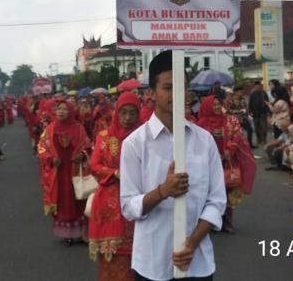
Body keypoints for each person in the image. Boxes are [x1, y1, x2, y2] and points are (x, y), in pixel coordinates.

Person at [120, 50, 226, 281]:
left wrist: (192, 244)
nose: (176, 94)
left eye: (182, 87)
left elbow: (216, 201)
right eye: (168, 88)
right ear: (151, 93)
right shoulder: (134, 144)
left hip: (197, 262)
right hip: (151, 264)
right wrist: (162, 191)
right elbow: (128, 206)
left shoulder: (204, 140)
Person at [88, 92, 141, 280]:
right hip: (110, 203)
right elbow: (94, 165)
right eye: (123, 112)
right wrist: (114, 173)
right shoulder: (104, 137)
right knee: (112, 259)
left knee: (139, 257)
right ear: (116, 113)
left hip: (139, 200)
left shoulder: (145, 138)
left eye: (132, 113)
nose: (127, 118)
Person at [197, 95, 256, 233]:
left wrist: (228, 150)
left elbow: (238, 136)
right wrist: (212, 134)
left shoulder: (231, 120)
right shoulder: (200, 124)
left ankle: (227, 222)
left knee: (228, 192)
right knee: (209, 193)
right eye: (214, 105)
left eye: (219, 104)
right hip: (208, 165)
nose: (217, 107)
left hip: (227, 162)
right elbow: (197, 142)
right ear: (207, 107)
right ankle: (210, 222)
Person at [38, 98, 92, 245]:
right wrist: (50, 158)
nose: (61, 111)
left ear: (71, 111)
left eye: (64, 109)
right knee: (62, 201)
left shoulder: (79, 128)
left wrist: (82, 154)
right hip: (59, 173)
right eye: (58, 109)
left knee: (78, 200)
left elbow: (87, 145)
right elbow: (42, 147)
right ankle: (67, 234)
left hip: (75, 171)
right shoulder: (50, 129)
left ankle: (81, 234)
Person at [248, 81, 269, 146]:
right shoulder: (252, 94)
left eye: (259, 86)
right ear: (254, 87)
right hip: (255, 113)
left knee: (264, 127)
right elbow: (250, 104)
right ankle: (259, 139)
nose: (258, 88)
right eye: (257, 87)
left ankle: (264, 140)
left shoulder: (264, 93)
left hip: (263, 113)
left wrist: (268, 112)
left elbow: (267, 103)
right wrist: (250, 112)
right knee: (257, 128)